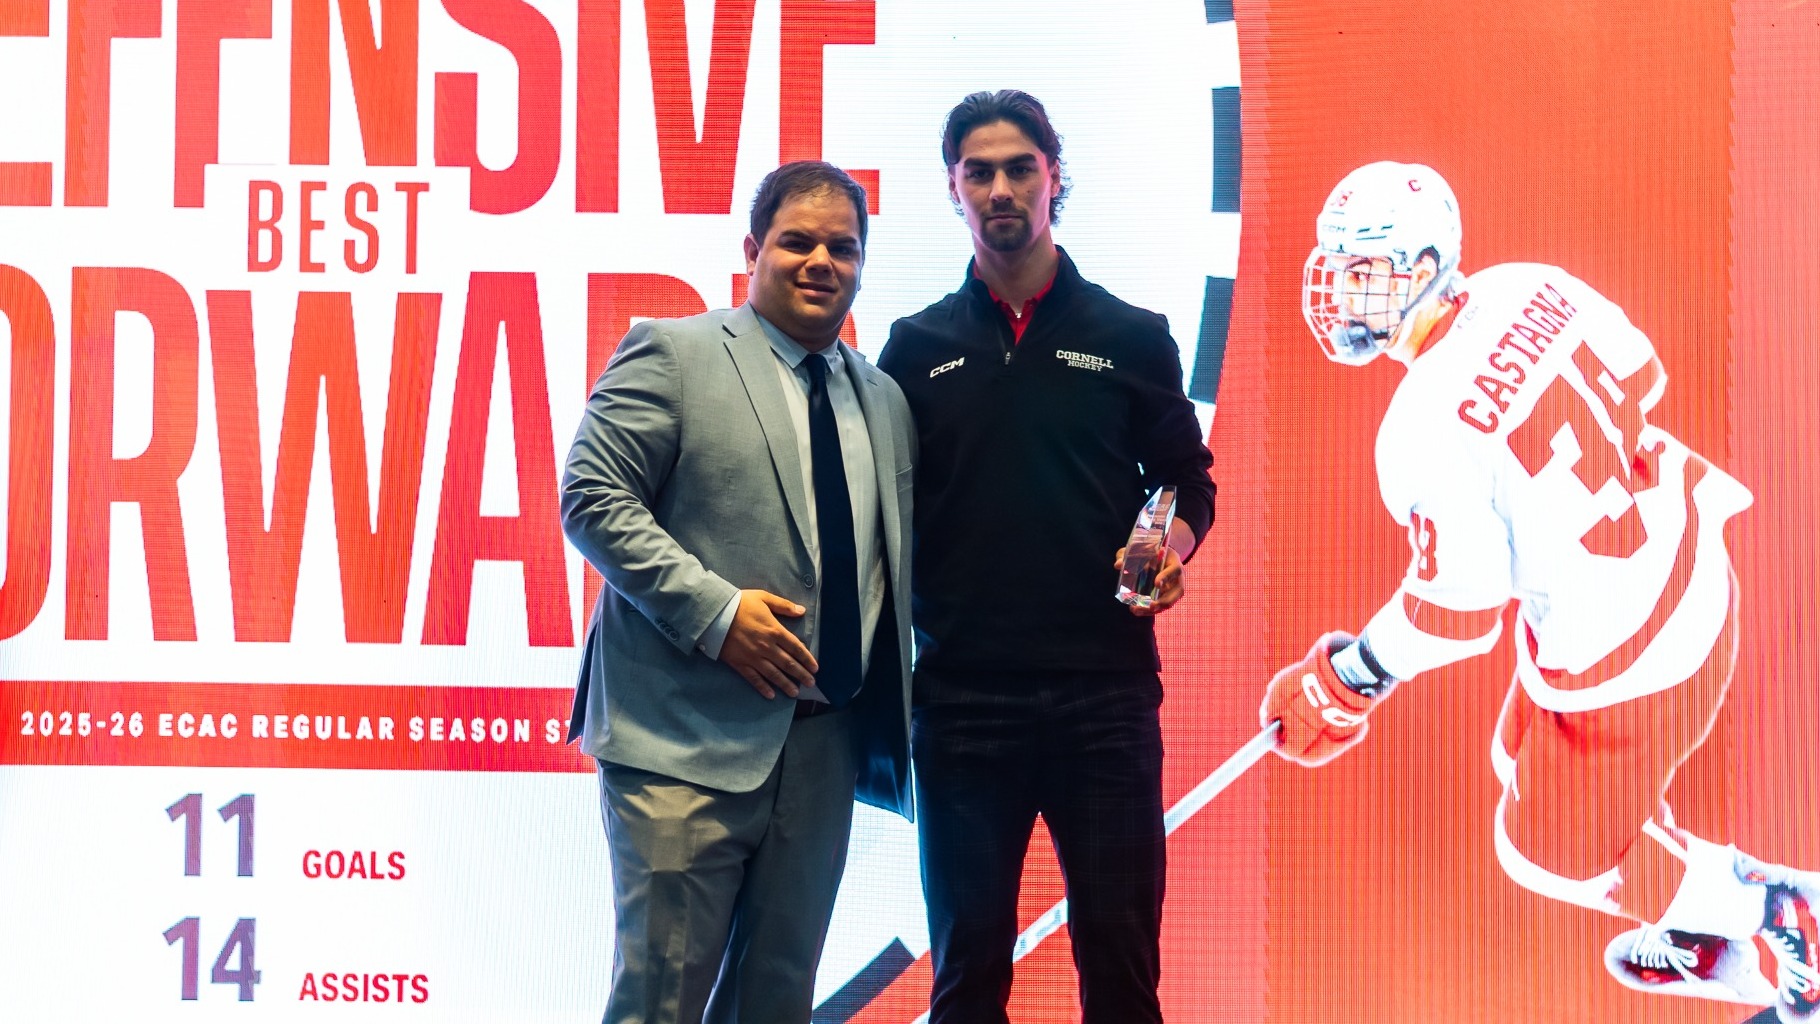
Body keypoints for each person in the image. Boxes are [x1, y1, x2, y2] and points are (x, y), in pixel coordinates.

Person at [1260, 160, 1818, 1022]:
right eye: (1336, 266)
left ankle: (1771, 919)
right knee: (1517, 761)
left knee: (1540, 853)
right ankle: (1713, 921)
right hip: (1690, 566)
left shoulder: (1415, 430)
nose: (1338, 291)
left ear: (1420, 270)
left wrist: (1346, 681)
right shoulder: (1530, 282)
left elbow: (1461, 614)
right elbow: (1643, 376)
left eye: (1361, 272)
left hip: (1634, 660)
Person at [878, 90, 1217, 1024]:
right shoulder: (912, 350)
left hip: (1104, 699)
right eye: (978, 171)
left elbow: (1189, 480)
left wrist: (1168, 543)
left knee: (1120, 974)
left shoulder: (1131, 335)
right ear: (952, 189)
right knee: (966, 980)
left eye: (1019, 167)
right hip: (959, 706)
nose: (1000, 188)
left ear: (1054, 178)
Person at [561, 160, 915, 1024]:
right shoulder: (674, 352)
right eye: (797, 241)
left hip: (822, 754)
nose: (820, 261)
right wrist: (718, 616)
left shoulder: (885, 399)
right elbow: (592, 499)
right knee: (661, 1004)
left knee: (776, 1004)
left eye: (843, 247)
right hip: (680, 743)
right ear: (753, 249)